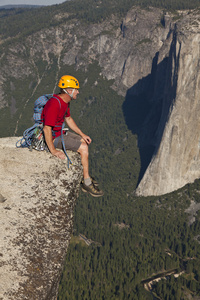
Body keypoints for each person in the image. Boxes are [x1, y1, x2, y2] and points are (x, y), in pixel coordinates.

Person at [41, 75, 103, 197]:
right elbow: (47, 128)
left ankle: (85, 174)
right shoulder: (55, 104)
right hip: (53, 137)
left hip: (59, 132)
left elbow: (68, 119)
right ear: (69, 91)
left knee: (83, 141)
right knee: (83, 147)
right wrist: (53, 151)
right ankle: (86, 182)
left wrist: (82, 134)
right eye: (76, 89)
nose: (78, 92)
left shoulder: (65, 102)